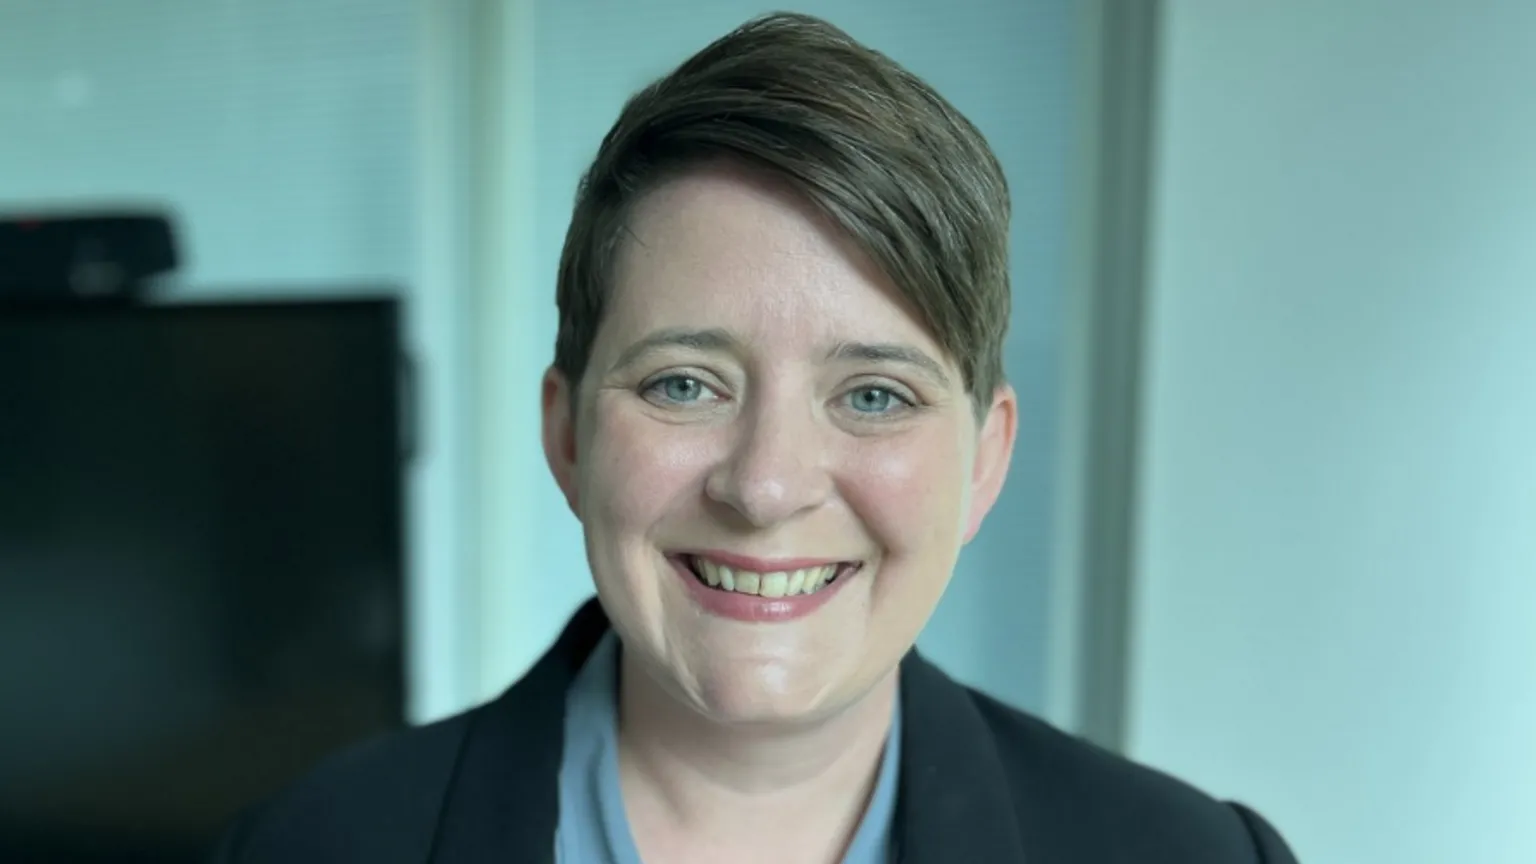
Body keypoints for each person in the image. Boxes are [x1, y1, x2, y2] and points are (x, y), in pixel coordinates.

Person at [213, 12, 1298, 864]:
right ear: (568, 437)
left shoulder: (1195, 856)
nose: (767, 485)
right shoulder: (303, 849)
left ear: (987, 460)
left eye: (873, 395)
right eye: (686, 383)